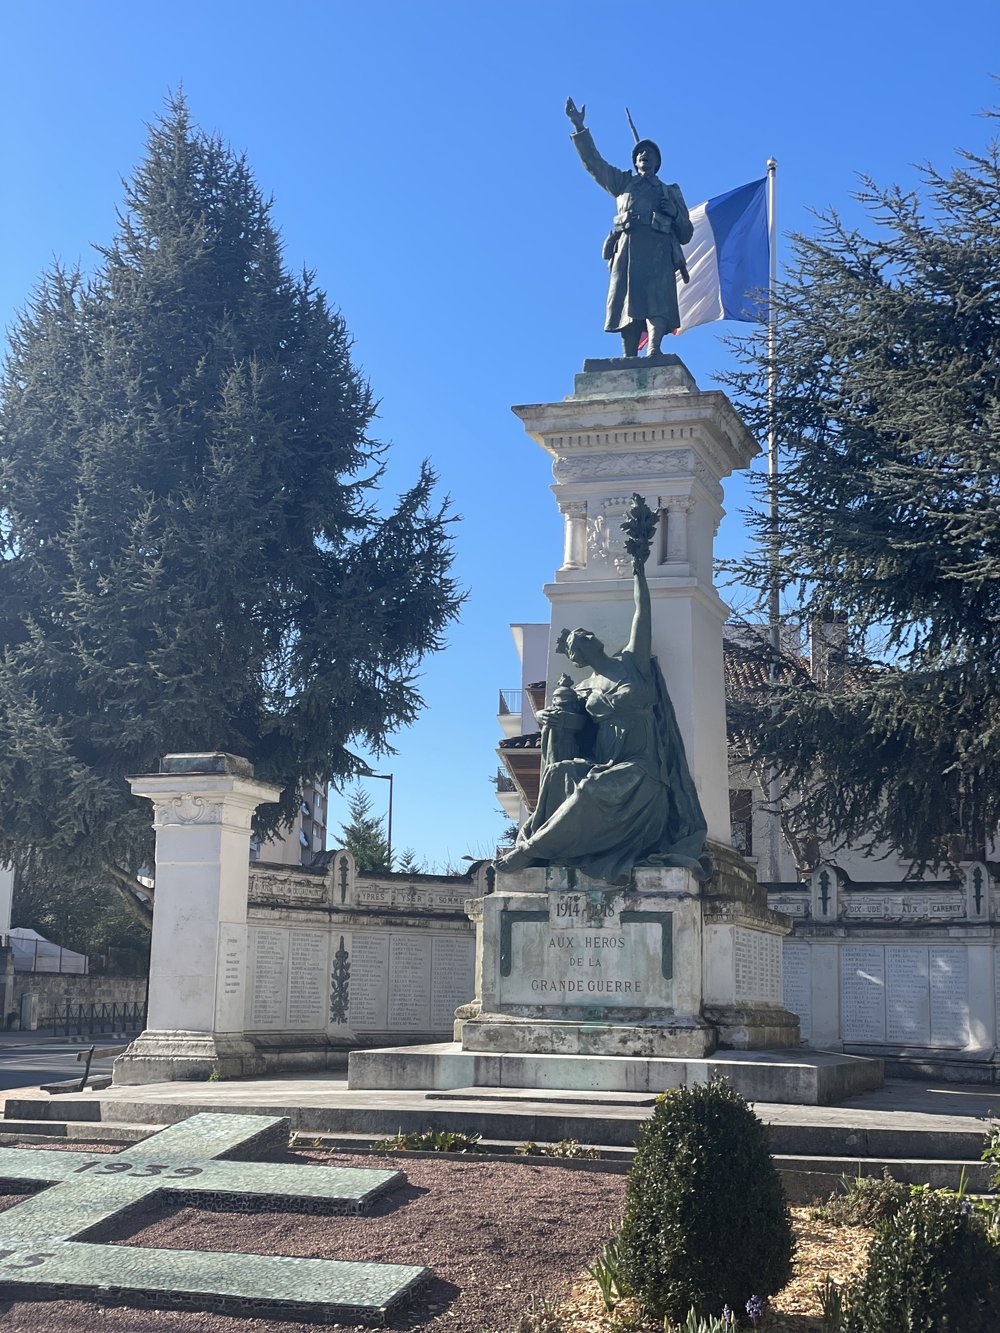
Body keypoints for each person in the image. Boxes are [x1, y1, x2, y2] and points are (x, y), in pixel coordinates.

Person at [498, 514, 712, 885]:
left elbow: (643, 614)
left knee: (591, 789)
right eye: (574, 641)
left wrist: (639, 568)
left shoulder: (631, 662)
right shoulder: (585, 687)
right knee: (561, 772)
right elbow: (570, 727)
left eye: (583, 634)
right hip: (608, 763)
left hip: (642, 768)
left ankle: (533, 849)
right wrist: (552, 721)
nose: (582, 637)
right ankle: (543, 845)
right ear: (577, 656)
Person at [565, 97, 693, 357]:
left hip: (658, 249)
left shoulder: (670, 191)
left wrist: (674, 213)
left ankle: (654, 349)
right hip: (628, 248)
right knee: (627, 302)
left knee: (657, 301)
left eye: (649, 154)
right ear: (635, 161)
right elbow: (594, 164)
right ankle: (628, 356)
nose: (644, 155)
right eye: (640, 154)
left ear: (657, 162)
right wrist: (580, 128)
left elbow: (686, 232)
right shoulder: (623, 183)